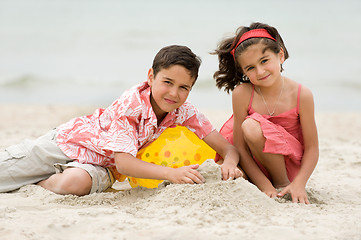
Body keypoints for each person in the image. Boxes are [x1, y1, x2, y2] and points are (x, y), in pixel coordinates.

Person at [0, 45, 242, 196]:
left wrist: (230, 162)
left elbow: (227, 148)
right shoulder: (131, 106)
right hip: (72, 142)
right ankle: (29, 171)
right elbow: (127, 163)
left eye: (183, 87)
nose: (174, 94)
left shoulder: (185, 112)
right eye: (167, 82)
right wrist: (172, 174)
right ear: (151, 76)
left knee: (73, 184)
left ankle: (35, 183)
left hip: (106, 164)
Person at [212, 22, 319, 204]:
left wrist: (300, 183)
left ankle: (282, 183)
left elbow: (312, 149)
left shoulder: (302, 95)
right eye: (250, 68)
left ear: (280, 55)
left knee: (251, 126)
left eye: (264, 61)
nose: (260, 71)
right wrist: (263, 186)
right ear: (243, 71)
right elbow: (240, 147)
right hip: (254, 162)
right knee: (228, 173)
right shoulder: (242, 93)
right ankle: (263, 183)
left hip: (288, 165)